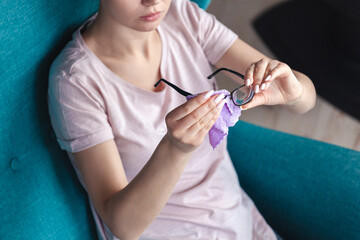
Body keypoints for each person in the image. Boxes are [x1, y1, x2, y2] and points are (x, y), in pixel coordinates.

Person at [47, 0, 316, 239]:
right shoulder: (76, 82)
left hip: (235, 217)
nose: (153, 2)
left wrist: (293, 94)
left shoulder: (183, 15)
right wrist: (174, 149)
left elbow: (306, 98)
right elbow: (123, 227)